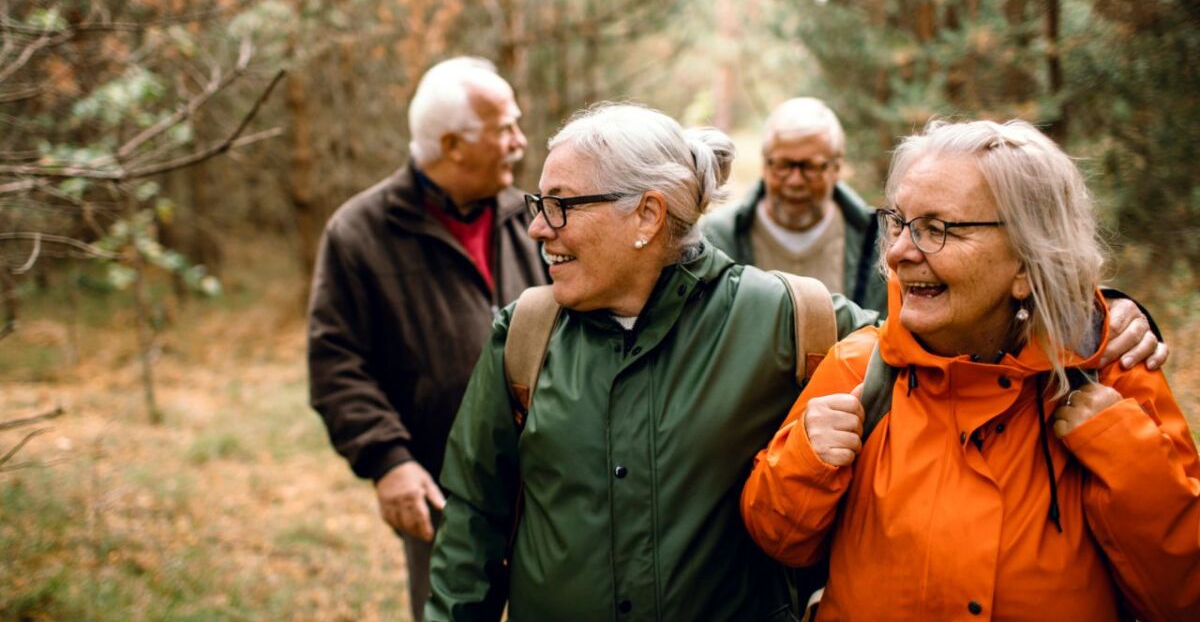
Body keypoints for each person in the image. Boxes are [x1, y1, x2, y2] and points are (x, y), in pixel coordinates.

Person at [424, 106, 1167, 621]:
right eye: (539, 204)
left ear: (646, 215)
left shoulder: (788, 319)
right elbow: (472, 527)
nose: (539, 227)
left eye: (561, 205)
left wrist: (1101, 312)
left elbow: (955, 336)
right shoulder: (524, 335)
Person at [741, 119, 1199, 621]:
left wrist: (1123, 452)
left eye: (936, 229)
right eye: (899, 223)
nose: (897, 253)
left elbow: (1181, 596)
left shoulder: (1116, 379)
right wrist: (805, 461)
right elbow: (780, 543)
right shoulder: (857, 371)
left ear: (1027, 263)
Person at [307, 57, 548, 622]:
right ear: (453, 144)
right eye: (505, 128)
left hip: (551, 476)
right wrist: (388, 460)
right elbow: (336, 362)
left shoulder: (531, 217)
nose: (520, 140)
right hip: (445, 492)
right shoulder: (359, 232)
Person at [702, 97, 887, 312]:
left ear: (836, 168)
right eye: (783, 165)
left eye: (810, 167)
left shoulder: (876, 242)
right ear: (764, 164)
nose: (795, 181)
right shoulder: (718, 237)